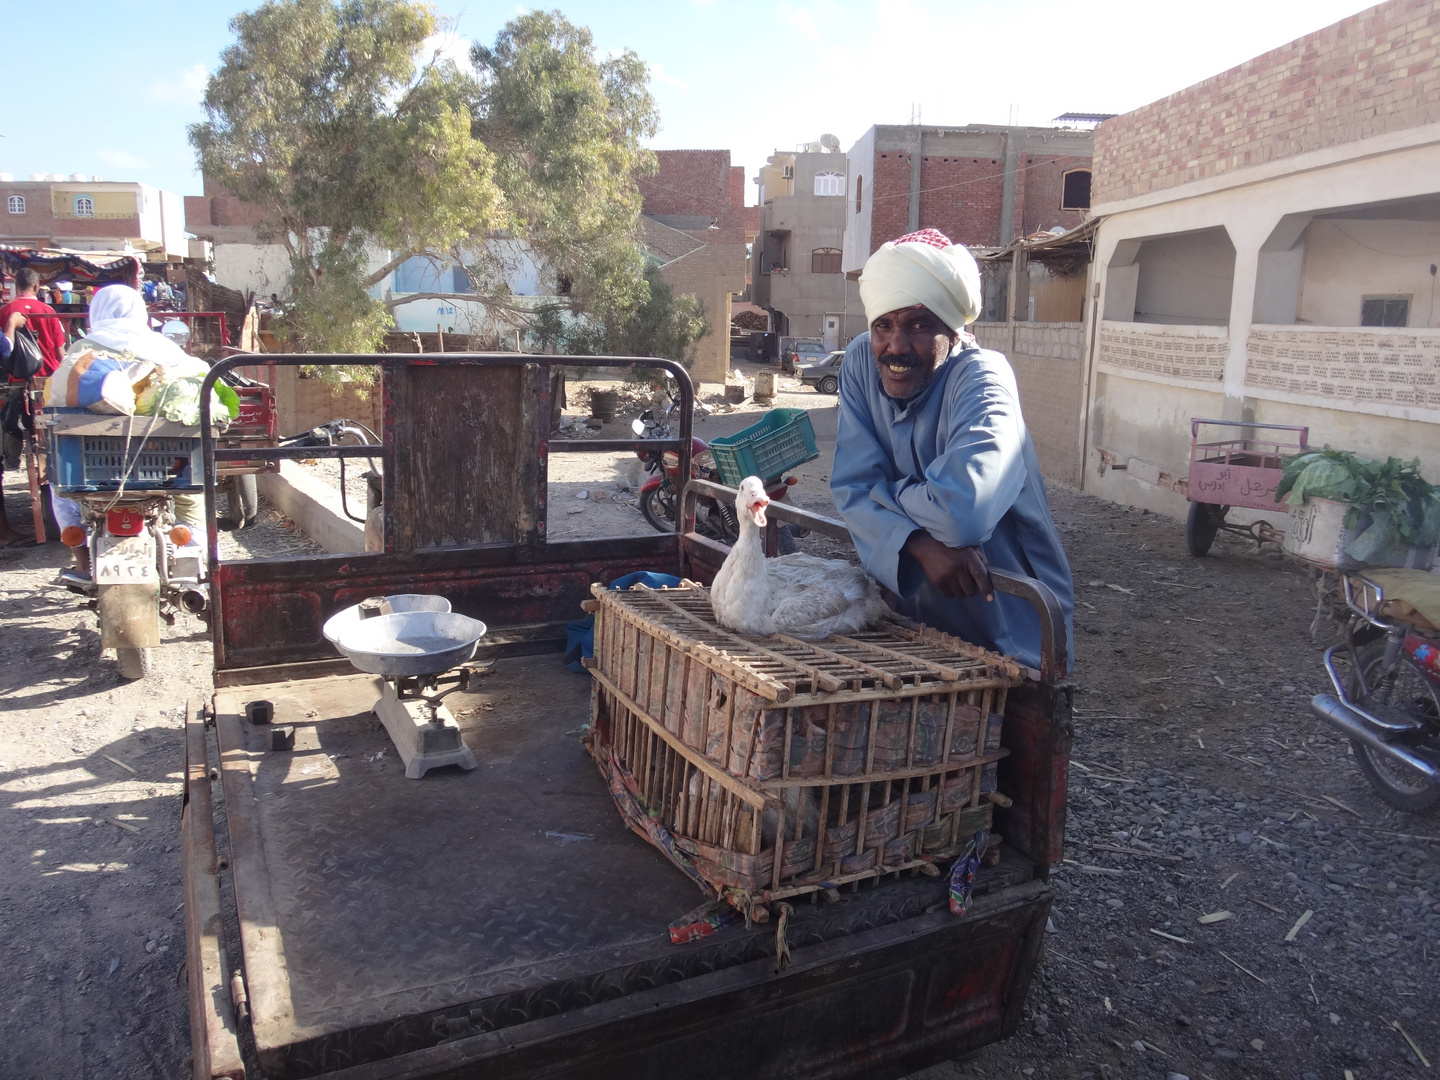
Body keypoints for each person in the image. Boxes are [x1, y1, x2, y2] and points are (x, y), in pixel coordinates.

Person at [829, 228, 1075, 673]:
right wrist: (919, 544)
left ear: (953, 329)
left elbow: (963, 514)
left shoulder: (983, 380)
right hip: (912, 621)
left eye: (921, 326)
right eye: (883, 325)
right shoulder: (861, 361)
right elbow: (850, 487)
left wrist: (884, 497)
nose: (896, 346)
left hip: (1008, 625)